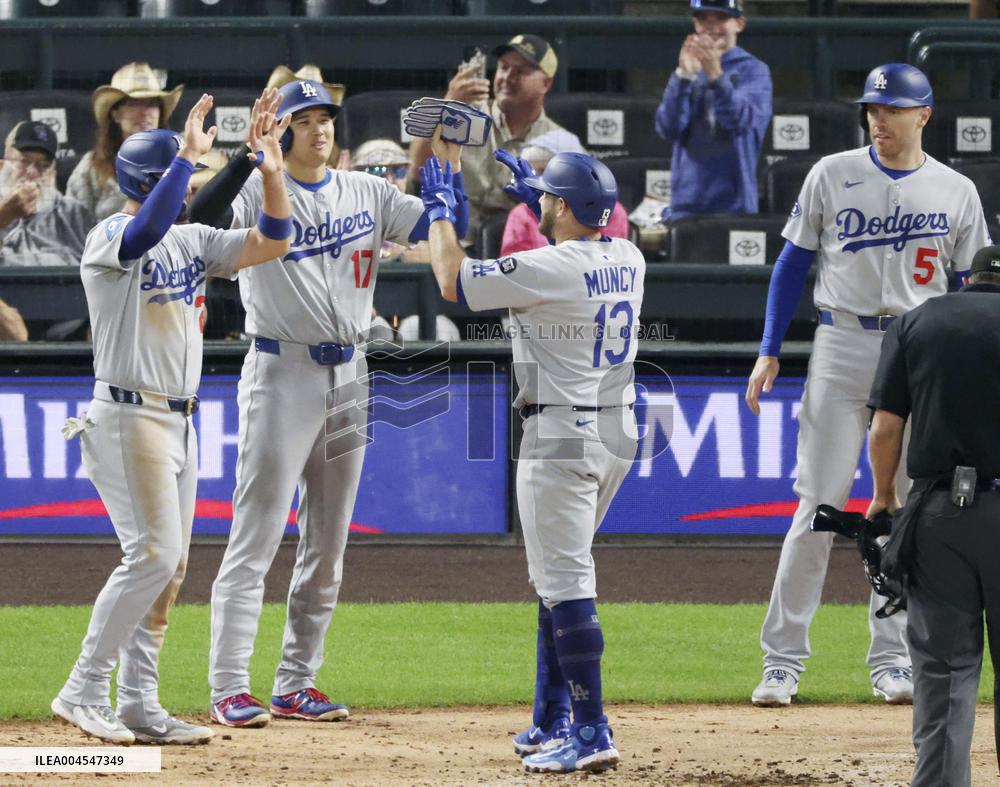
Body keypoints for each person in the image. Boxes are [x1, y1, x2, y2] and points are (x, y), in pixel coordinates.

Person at [189, 78, 467, 727]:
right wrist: (242, 158)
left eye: (326, 118)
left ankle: (295, 681)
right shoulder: (261, 188)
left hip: (351, 372)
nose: (320, 128)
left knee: (329, 544)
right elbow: (198, 225)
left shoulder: (367, 191)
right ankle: (229, 684)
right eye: (306, 118)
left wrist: (442, 168)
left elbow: (436, 229)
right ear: (281, 128)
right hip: (281, 371)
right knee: (255, 537)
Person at [745, 63, 991, 709]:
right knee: (817, 504)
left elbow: (969, 291)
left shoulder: (957, 189)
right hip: (842, 342)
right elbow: (792, 262)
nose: (878, 119)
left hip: (919, 349)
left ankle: (891, 659)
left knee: (909, 511)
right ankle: (781, 661)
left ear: (924, 115)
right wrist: (769, 348)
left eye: (892, 109)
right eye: (872, 108)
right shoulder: (831, 172)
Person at [52, 91, 293, 745]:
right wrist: (187, 159)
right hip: (126, 416)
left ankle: (138, 701)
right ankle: (82, 687)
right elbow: (144, 232)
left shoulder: (190, 239)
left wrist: (267, 169)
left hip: (178, 419)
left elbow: (274, 239)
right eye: (175, 174)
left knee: (171, 565)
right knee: (152, 555)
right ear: (149, 181)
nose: (187, 183)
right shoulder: (110, 237)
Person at [421, 144, 644, 773]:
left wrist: (442, 214)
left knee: (567, 585)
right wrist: (534, 196)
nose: (538, 198)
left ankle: (592, 729)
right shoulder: (629, 254)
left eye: (549, 194)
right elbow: (575, 243)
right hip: (616, 432)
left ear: (567, 207)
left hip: (562, 438)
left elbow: (451, 280)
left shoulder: (550, 267)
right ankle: (554, 718)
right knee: (558, 578)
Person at [867, 243, 1000, 787]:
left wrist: (883, 498)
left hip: (941, 511)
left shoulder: (919, 321)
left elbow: (885, 428)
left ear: (967, 279)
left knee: (945, 674)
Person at [409, 33, 582, 241]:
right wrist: (447, 105)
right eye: (503, 67)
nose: (507, 77)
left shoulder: (560, 143)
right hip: (456, 244)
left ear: (546, 83)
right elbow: (417, 172)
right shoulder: (463, 116)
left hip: (522, 253)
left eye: (520, 71)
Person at [653, 0, 771, 221]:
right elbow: (668, 128)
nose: (711, 26)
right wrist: (683, 77)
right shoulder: (688, 69)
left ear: (740, 23)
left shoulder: (754, 70)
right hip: (686, 204)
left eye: (721, 18)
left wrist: (715, 75)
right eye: (703, 18)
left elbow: (739, 122)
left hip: (735, 206)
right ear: (695, 24)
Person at [67, 62, 184, 222]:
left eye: (152, 104)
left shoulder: (180, 160)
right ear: (115, 114)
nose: (145, 112)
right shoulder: (91, 168)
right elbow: (73, 226)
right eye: (134, 103)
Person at [500, 129, 629, 256]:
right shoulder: (521, 214)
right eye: (533, 172)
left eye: (546, 172)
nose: (539, 181)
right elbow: (514, 269)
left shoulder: (610, 211)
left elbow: (595, 264)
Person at [0, 121, 94, 267]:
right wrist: (4, 216)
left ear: (53, 174)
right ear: (3, 165)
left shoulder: (73, 212)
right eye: (24, 161)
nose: (31, 172)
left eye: (43, 165)